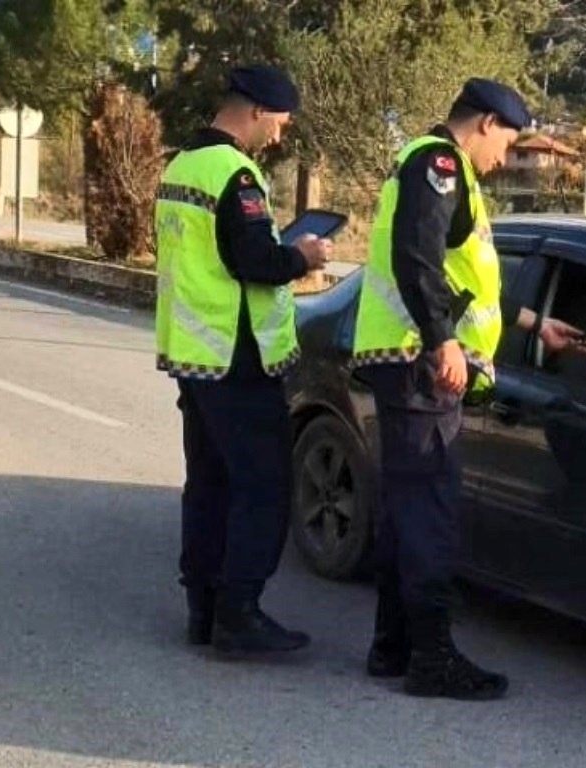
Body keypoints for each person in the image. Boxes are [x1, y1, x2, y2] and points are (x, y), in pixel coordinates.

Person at [350, 78, 582, 701]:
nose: (505, 156)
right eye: (507, 140)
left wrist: (535, 323)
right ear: (483, 123)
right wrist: (440, 341)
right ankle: (432, 659)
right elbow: (416, 258)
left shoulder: (445, 171)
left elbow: (465, 281)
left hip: (408, 361)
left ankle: (394, 648)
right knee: (430, 513)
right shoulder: (439, 163)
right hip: (418, 364)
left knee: (407, 513)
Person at [154, 64, 332, 655]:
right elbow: (255, 261)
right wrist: (303, 256)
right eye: (279, 123)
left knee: (207, 483)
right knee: (261, 485)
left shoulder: (180, 165)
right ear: (255, 110)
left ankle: (202, 608)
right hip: (238, 357)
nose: (279, 137)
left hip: (193, 354)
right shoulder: (236, 174)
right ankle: (240, 612)